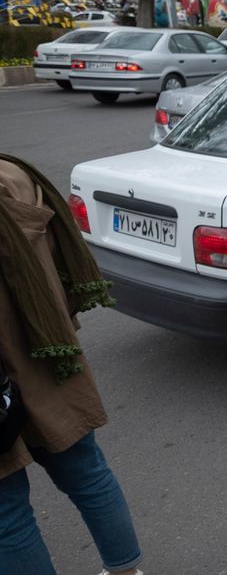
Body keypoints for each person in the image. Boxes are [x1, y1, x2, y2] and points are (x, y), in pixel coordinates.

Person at [0, 155, 143, 575]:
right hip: (48, 355)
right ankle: (127, 572)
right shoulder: (16, 171)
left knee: (6, 514)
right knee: (86, 472)